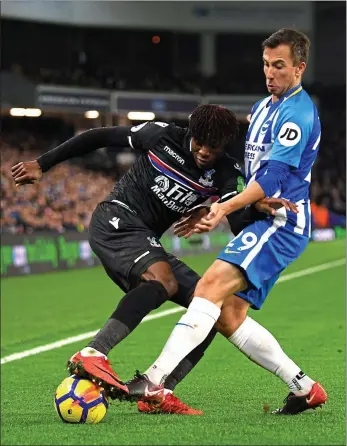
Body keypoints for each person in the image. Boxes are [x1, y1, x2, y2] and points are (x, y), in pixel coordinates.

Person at [12, 105, 296, 415]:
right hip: (116, 218)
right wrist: (43, 163)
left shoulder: (228, 171)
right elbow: (99, 136)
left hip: (144, 238)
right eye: (199, 141)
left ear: (225, 144)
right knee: (164, 280)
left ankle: (160, 391)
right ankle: (93, 352)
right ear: (191, 133)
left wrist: (256, 207)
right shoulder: (162, 136)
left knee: (213, 308)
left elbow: (237, 216)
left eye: (212, 147)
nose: (203, 151)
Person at [120, 29, 328, 415]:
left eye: (279, 66)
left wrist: (226, 209)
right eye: (266, 64)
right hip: (262, 220)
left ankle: (154, 379)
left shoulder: (297, 113)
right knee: (229, 317)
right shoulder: (264, 107)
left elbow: (273, 179)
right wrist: (223, 202)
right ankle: (304, 387)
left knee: (208, 286)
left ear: (299, 68)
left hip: (281, 224)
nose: (270, 73)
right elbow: (247, 175)